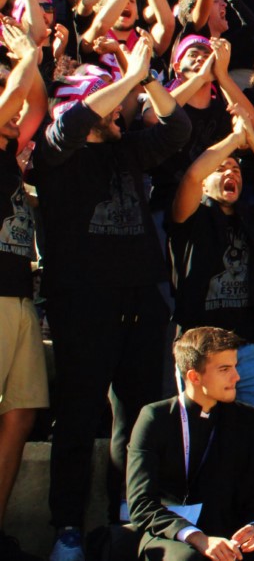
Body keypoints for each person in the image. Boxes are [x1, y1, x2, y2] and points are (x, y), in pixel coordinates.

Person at [32, 36, 192, 561]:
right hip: (83, 302)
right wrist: (125, 76)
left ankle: (129, 517)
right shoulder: (54, 152)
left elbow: (178, 128)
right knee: (78, 418)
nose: (122, 108)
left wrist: (146, 79)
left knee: (140, 417)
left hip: (142, 301)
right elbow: (73, 124)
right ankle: (68, 529)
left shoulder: (129, 150)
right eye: (110, 99)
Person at [168, 106, 254, 484]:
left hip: (249, 351)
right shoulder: (189, 217)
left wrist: (252, 142)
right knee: (201, 445)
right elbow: (193, 174)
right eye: (221, 169)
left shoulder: (251, 217)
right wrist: (232, 140)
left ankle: (253, 515)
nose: (231, 173)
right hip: (201, 351)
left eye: (237, 170)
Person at [125, 327, 254, 561]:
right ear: (194, 376)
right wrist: (197, 537)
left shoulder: (252, 422)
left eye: (235, 366)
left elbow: (252, 492)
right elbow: (141, 504)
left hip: (227, 531)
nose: (236, 377)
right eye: (225, 369)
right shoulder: (156, 418)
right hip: (171, 534)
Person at [0, 25, 45, 561]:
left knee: (21, 413)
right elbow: (17, 97)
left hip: (17, 296)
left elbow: (30, 104)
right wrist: (29, 56)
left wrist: (32, 60)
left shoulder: (12, 153)